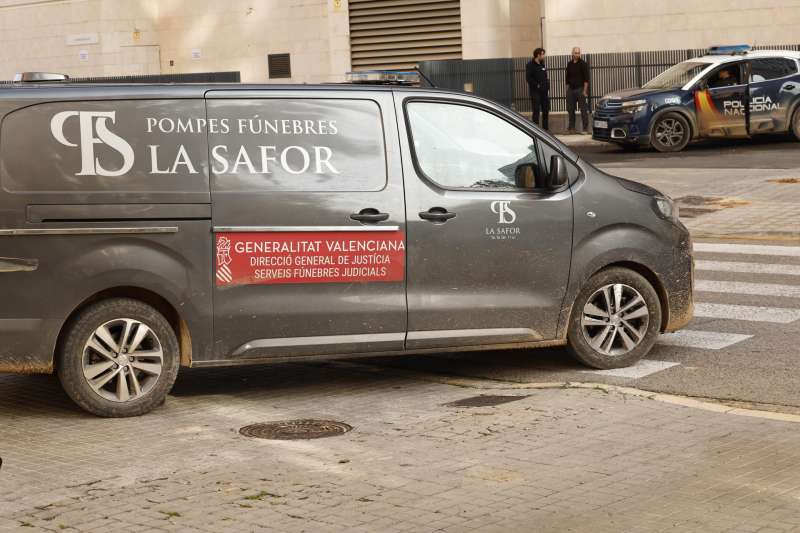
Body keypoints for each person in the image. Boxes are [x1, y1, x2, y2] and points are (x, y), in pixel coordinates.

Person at [566, 46, 591, 134]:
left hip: (580, 89)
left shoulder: (583, 64)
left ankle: (585, 129)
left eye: (578, 53)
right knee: (570, 109)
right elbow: (567, 77)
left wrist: (584, 91)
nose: (577, 54)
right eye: (575, 53)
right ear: (572, 53)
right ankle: (571, 128)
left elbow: (586, 79)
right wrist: (568, 89)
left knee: (583, 109)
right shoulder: (569, 64)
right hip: (571, 90)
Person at [525, 48, 549, 130]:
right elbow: (528, 78)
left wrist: (547, 86)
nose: (543, 56)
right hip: (535, 92)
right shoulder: (530, 65)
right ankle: (536, 129)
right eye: (542, 54)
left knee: (546, 110)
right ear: (538, 55)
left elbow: (545, 76)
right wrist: (537, 85)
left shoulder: (542, 64)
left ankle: (545, 129)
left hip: (544, 91)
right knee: (536, 110)